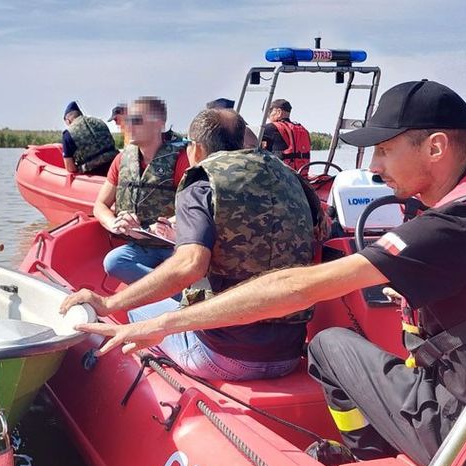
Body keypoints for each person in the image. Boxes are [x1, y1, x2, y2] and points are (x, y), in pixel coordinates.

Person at [79, 80, 466, 466]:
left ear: (435, 147)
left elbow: (300, 288)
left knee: (327, 344)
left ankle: (363, 449)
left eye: (385, 151)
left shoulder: (444, 230)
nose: (374, 168)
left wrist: (166, 322)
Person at [61, 107, 315, 380]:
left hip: (222, 356)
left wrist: (108, 303)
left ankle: (154, 377)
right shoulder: (292, 177)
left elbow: (190, 266)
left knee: (138, 309)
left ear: (195, 149)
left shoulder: (202, 182)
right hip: (289, 355)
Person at [95, 96, 189, 283]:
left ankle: (168, 292)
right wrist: (114, 223)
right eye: (128, 120)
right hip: (141, 247)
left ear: (159, 125)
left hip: (174, 246)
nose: (129, 125)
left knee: (185, 268)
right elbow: (100, 205)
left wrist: (163, 226)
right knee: (113, 261)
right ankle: (165, 290)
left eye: (137, 120)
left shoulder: (181, 160)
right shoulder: (122, 160)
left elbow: (193, 209)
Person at [61, 101, 118, 176]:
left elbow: (70, 167)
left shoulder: (68, 133)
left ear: (68, 120)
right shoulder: (99, 122)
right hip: (116, 167)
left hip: (93, 174)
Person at [261, 98, 312, 170]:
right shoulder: (304, 130)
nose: (269, 117)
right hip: (300, 176)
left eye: (269, 113)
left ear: (279, 112)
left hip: (281, 177)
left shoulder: (269, 128)